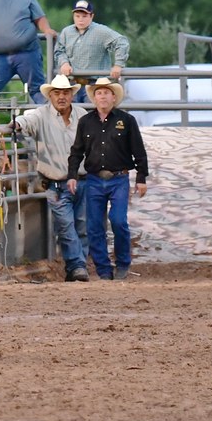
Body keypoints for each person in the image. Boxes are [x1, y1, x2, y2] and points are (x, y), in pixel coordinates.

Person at [5, 75, 90, 282]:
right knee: (67, 226)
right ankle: (78, 266)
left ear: (72, 94)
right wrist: (17, 124)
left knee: (82, 226)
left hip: (82, 179)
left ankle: (76, 266)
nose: (62, 97)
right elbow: (27, 121)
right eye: (57, 93)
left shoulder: (82, 114)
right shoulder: (40, 115)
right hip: (56, 182)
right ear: (50, 96)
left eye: (66, 93)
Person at [67, 78, 149, 280]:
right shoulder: (85, 122)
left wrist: (141, 177)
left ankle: (122, 263)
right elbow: (76, 151)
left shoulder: (126, 120)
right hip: (94, 179)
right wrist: (72, 175)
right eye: (99, 93)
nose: (102, 96)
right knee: (95, 226)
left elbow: (138, 150)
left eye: (106, 92)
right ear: (94, 98)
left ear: (114, 97)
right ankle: (104, 270)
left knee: (118, 221)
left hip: (119, 178)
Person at [54, 0, 130, 103]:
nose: (80, 20)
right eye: (77, 16)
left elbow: (122, 42)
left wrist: (118, 65)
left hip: (95, 84)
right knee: (71, 114)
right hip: (71, 84)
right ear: (73, 17)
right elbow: (59, 50)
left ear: (91, 16)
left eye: (84, 16)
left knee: (92, 116)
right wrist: (64, 63)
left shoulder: (101, 31)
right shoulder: (66, 32)